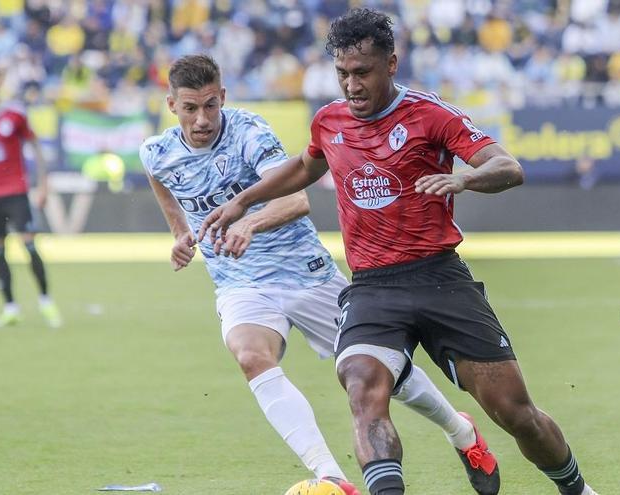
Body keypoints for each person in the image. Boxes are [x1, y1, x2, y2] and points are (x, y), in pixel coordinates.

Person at [199, 11, 596, 495]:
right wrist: (242, 201)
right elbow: (305, 167)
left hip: (440, 280)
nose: (351, 85)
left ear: (391, 63)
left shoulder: (432, 116)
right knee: (361, 386)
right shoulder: (329, 120)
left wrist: (464, 177)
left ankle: (576, 488)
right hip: (372, 288)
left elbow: (508, 167)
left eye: (362, 72)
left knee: (516, 413)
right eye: (342, 74)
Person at [140, 54, 502, 495]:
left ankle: (460, 431)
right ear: (171, 105)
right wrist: (181, 233)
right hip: (239, 281)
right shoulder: (156, 152)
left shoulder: (249, 133)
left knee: (388, 375)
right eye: (191, 108)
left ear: (223, 98)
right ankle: (331, 476)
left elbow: (296, 200)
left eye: (211, 105)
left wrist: (248, 222)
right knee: (251, 356)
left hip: (304, 274)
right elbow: (162, 181)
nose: (202, 119)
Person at [0, 66, 61, 329]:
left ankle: (45, 301)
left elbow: (35, 145)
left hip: (15, 191)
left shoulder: (15, 114)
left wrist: (42, 184)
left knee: (29, 246)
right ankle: (10, 307)